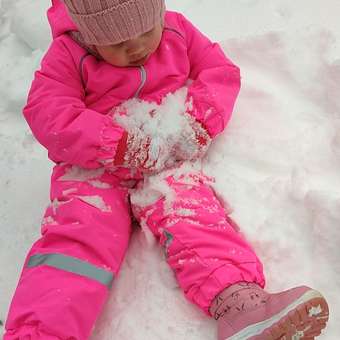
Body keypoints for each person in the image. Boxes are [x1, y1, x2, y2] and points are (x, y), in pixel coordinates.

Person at [4, 0, 329, 339]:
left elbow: (220, 73)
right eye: (117, 43)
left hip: (165, 150)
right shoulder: (67, 55)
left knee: (191, 212)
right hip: (94, 168)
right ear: (88, 35)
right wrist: (114, 143)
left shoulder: (177, 30)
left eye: (146, 31)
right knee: (77, 242)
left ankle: (240, 305)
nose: (138, 47)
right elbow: (49, 113)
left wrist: (198, 121)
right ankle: (39, 333)